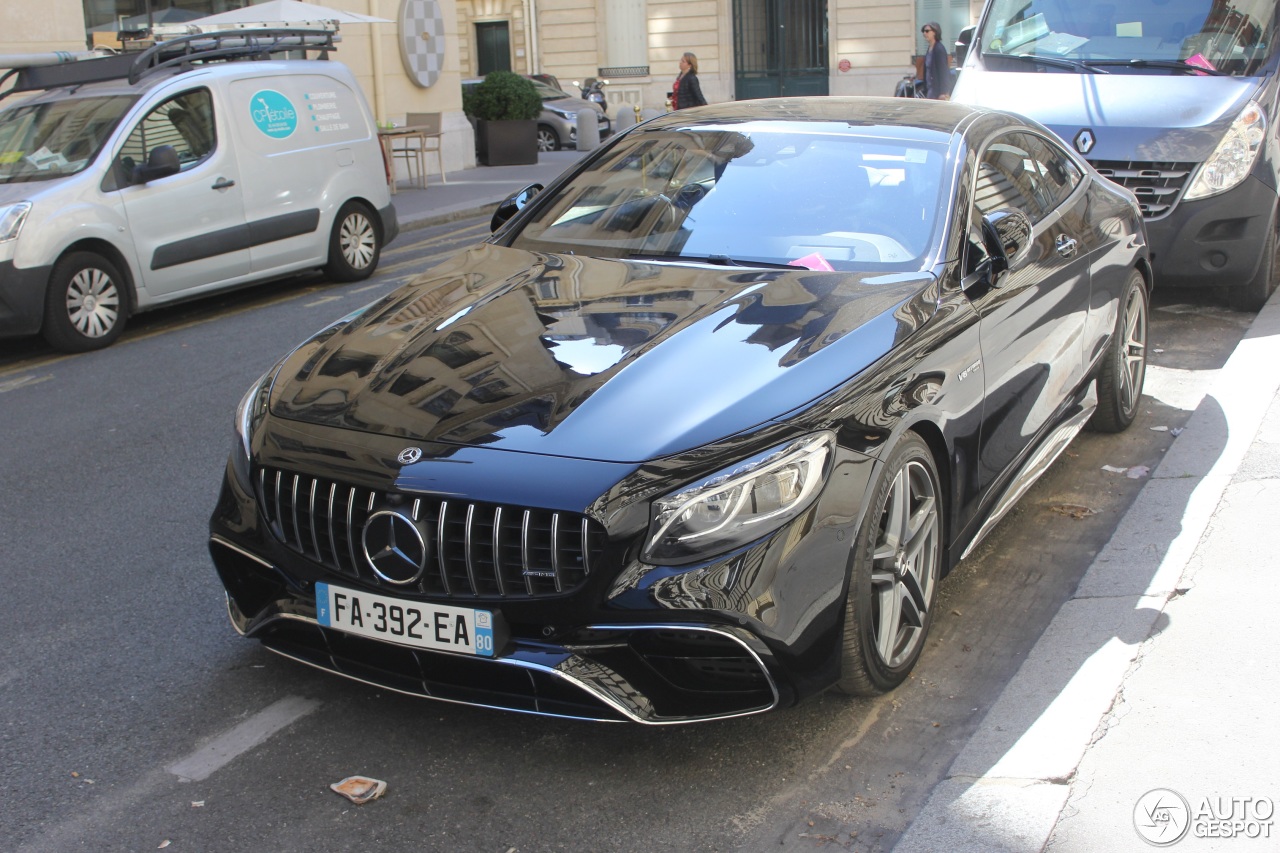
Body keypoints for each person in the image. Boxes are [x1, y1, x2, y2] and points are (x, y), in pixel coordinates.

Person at [922, 22, 951, 100]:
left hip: (937, 91)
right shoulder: (929, 49)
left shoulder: (939, 49)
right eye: (923, 31)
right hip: (930, 90)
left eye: (927, 31)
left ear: (935, 32)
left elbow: (943, 71)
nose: (925, 33)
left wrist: (943, 92)